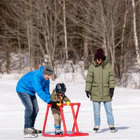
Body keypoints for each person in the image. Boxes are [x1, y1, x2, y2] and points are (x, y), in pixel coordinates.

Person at [16, 65, 57, 138]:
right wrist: (48, 101)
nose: (49, 77)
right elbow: (39, 91)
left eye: (50, 75)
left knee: (36, 109)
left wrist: (51, 100)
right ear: (44, 73)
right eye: (48, 75)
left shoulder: (46, 79)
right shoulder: (36, 77)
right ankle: (27, 128)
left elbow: (46, 91)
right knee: (29, 107)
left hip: (31, 91)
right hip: (22, 89)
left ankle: (31, 127)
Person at [85, 48, 115, 133]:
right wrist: (87, 90)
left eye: (99, 59)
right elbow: (89, 79)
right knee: (96, 111)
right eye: (97, 59)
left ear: (102, 58)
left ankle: (111, 124)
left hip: (106, 92)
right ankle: (97, 125)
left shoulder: (108, 66)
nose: (98, 61)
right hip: (95, 92)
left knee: (109, 110)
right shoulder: (92, 67)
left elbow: (111, 78)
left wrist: (112, 88)